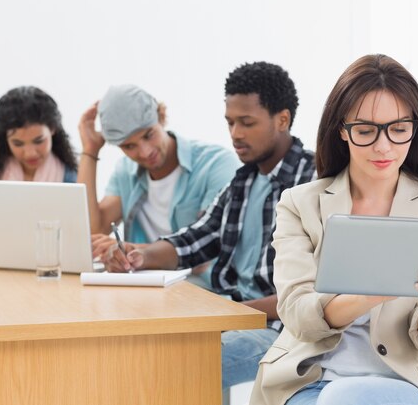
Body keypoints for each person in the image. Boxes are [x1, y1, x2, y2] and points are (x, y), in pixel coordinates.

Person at [250, 54, 418, 405]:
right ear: (342, 130)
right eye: (366, 131)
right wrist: (371, 291)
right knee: (340, 396)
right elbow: (298, 315)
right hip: (311, 378)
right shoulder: (300, 204)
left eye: (398, 130)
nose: (383, 146)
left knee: (348, 398)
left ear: (416, 128)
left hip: (406, 379)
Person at [102, 62, 316, 389]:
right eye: (230, 123)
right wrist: (140, 255)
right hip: (233, 316)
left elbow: (310, 296)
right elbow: (194, 239)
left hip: (281, 330)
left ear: (282, 119)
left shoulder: (314, 182)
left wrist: (225, 314)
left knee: (174, 365)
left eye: (247, 123)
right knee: (133, 344)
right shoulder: (242, 182)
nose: (235, 134)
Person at [77, 84, 239, 286]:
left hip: (206, 294)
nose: (144, 152)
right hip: (145, 294)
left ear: (160, 117)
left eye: (148, 135)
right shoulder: (125, 173)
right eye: (129, 146)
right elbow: (94, 229)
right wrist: (90, 151)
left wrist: (132, 250)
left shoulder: (216, 165)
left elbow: (208, 250)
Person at [0, 86, 78, 252]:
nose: (30, 153)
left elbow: (78, 232)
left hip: (50, 263)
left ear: (53, 129)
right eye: (18, 143)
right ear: (5, 138)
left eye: (39, 140)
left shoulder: (68, 172)